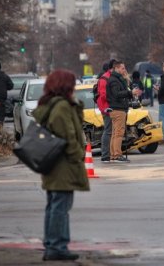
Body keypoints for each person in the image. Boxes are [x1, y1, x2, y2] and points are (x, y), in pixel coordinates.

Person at [32, 69, 89, 261]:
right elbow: (68, 135)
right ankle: (57, 246)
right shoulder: (62, 106)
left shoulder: (53, 104)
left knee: (55, 205)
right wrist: (77, 155)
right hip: (63, 164)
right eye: (72, 84)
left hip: (53, 163)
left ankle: (52, 244)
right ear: (66, 86)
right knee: (60, 206)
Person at [107, 61, 141, 162]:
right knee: (118, 133)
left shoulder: (117, 79)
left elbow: (123, 89)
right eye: (122, 68)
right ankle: (117, 155)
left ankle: (113, 154)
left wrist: (129, 88)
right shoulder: (114, 80)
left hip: (117, 108)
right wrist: (131, 92)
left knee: (115, 133)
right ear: (116, 68)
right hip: (118, 109)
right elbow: (117, 94)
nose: (124, 70)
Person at [95, 59, 115, 163]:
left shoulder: (109, 77)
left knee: (110, 131)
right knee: (108, 131)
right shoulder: (104, 78)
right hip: (107, 108)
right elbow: (103, 95)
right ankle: (105, 155)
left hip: (109, 107)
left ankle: (109, 154)